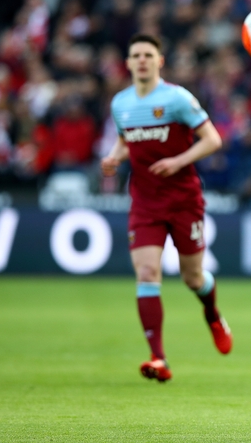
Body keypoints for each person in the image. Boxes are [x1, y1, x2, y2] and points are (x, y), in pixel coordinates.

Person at [101, 33, 232, 383]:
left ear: (159, 61)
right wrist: (114, 157)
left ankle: (213, 314)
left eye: (148, 55)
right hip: (145, 202)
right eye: (136, 55)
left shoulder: (177, 99)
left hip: (184, 200)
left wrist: (178, 161)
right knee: (147, 273)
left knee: (193, 277)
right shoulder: (121, 104)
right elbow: (126, 140)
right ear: (128, 63)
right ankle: (158, 358)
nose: (142, 60)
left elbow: (212, 139)